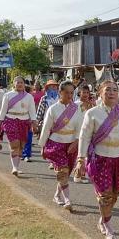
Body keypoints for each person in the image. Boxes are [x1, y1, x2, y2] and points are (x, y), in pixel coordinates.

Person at [76, 80, 119, 239]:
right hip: (100, 158)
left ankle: (103, 219)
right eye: (107, 90)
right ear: (100, 93)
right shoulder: (92, 113)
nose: (111, 93)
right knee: (105, 196)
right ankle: (109, 228)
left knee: (115, 193)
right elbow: (84, 137)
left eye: (114, 90)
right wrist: (81, 159)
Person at [39, 81, 82, 212]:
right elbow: (46, 128)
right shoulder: (53, 109)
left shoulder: (76, 108)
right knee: (62, 171)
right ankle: (68, 200)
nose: (69, 95)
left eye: (71, 93)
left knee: (66, 173)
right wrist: (42, 146)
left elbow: (80, 127)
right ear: (60, 92)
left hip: (71, 144)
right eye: (66, 92)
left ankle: (57, 195)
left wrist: (76, 142)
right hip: (56, 142)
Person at [0, 76, 37, 176]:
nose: (19, 84)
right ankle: (14, 168)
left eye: (21, 82)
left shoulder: (29, 96)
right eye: (17, 82)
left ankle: (17, 166)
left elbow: (32, 111)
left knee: (21, 146)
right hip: (10, 120)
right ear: (14, 84)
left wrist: (34, 123)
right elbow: (3, 110)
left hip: (24, 122)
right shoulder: (7, 95)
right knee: (14, 144)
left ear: (24, 84)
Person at [73, 84, 94, 184]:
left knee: (86, 154)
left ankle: (81, 174)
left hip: (88, 133)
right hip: (77, 133)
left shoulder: (92, 105)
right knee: (79, 154)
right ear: (79, 93)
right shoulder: (75, 104)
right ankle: (77, 174)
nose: (85, 94)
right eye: (83, 92)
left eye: (87, 92)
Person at [22, 84, 35, 162]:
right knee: (22, 138)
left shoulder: (30, 98)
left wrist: (33, 121)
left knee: (28, 138)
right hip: (20, 121)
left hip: (29, 121)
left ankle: (26, 155)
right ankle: (22, 153)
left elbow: (32, 110)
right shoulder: (18, 99)